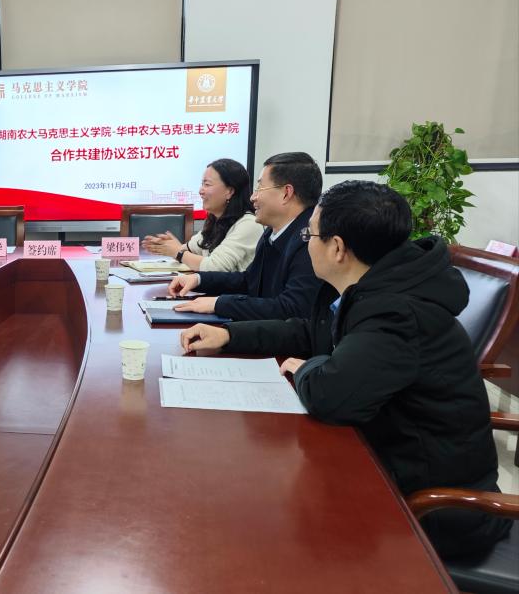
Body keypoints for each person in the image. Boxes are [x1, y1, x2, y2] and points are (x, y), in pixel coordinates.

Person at [180, 180, 511, 559]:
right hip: (383, 468)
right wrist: (228, 335)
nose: (305, 244)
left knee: (262, 525)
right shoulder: (370, 286)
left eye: (310, 235)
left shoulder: (396, 313)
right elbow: (309, 331)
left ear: (337, 248)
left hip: (434, 512)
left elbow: (330, 396)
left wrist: (309, 367)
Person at [167, 152, 323, 321]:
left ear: (286, 193)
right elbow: (249, 280)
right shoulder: (272, 233)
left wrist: (219, 305)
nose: (253, 197)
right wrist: (199, 279)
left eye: (260, 188)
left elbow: (291, 309)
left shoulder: (311, 239)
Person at [142, 158, 263, 272]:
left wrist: (178, 252)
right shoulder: (216, 220)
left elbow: (215, 267)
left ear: (230, 191)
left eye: (207, 184)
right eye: (202, 184)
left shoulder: (249, 224)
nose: (200, 191)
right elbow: (190, 250)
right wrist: (167, 246)